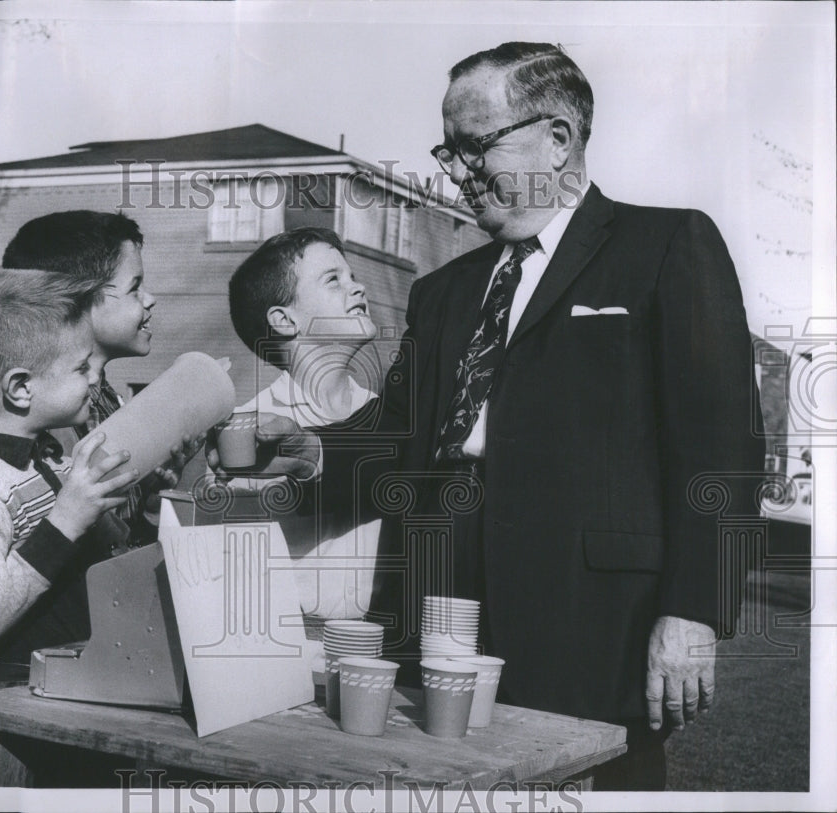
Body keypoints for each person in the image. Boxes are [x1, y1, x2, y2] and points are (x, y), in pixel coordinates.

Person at [222, 42, 765, 790]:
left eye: (477, 146)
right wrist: (310, 449)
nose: (457, 171)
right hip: (434, 615)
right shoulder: (443, 291)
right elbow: (398, 429)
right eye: (449, 150)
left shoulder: (668, 245)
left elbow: (722, 446)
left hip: (594, 624)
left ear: (560, 138)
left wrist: (695, 611)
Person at [0, 269, 138, 691]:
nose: (95, 377)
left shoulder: (49, 452)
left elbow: (103, 553)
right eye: (81, 367)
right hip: (7, 701)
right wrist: (64, 522)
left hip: (73, 682)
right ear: (21, 388)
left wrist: (135, 509)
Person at [224, 227, 382, 672]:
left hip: (375, 658)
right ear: (284, 320)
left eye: (352, 274)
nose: (358, 286)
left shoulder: (383, 420)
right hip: (283, 660)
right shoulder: (250, 434)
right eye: (333, 279)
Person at [2, 211, 198, 551]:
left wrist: (148, 502)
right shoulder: (46, 420)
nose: (149, 299)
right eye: (135, 287)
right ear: (78, 302)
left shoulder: (105, 400)